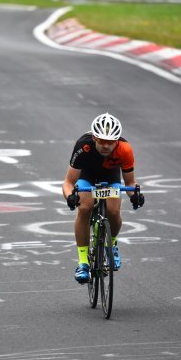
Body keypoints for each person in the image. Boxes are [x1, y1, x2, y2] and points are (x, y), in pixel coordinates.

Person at [62, 113, 145, 284]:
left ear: (117, 141)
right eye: (101, 141)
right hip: (87, 176)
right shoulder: (83, 146)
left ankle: (111, 245)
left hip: (111, 176)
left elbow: (130, 183)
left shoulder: (125, 149)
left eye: (110, 142)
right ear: (94, 138)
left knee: (113, 211)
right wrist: (70, 196)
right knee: (85, 208)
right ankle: (83, 262)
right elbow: (69, 182)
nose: (106, 145)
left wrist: (135, 195)